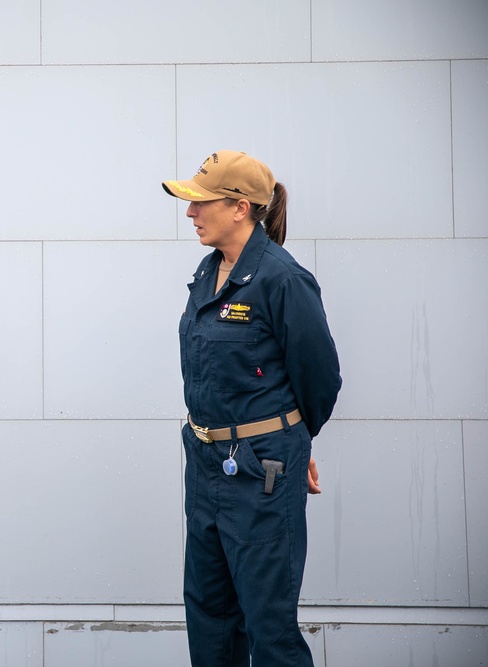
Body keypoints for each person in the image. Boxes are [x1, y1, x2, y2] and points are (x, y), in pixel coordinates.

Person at [163, 150, 341, 666]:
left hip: (260, 472)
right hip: (206, 468)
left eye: (201, 203)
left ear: (240, 207)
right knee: (210, 618)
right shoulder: (208, 271)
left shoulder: (282, 280)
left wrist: (290, 440)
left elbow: (320, 378)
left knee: (269, 629)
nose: (191, 213)